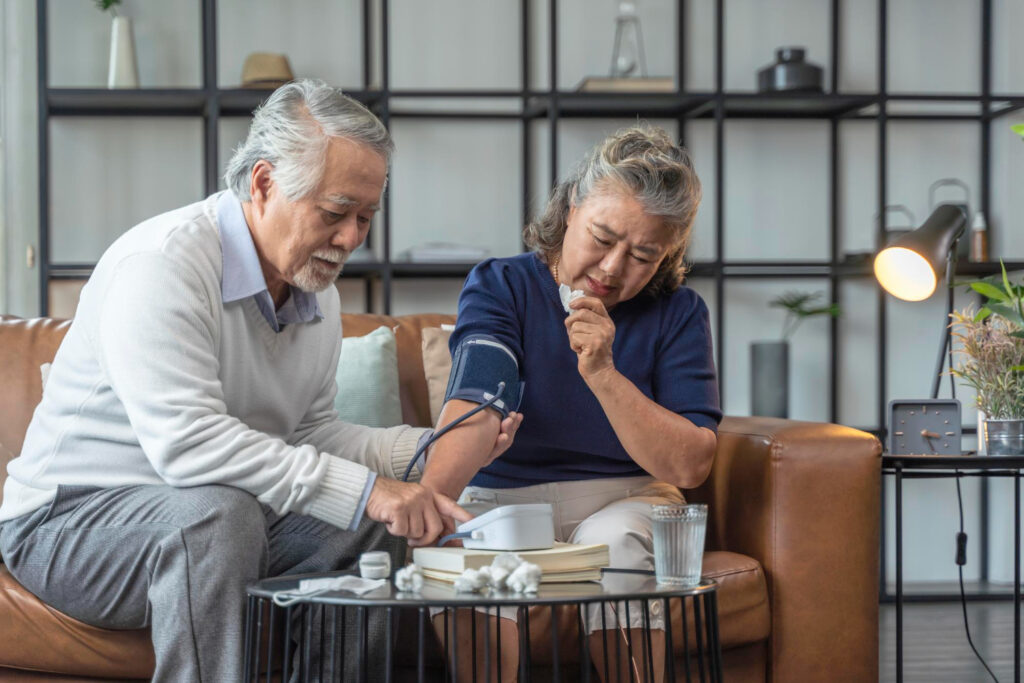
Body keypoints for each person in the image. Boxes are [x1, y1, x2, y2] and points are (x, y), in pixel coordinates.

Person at [0, 79, 521, 682]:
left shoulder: (313, 292)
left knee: (371, 527)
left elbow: (310, 432)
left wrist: (438, 444)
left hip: (215, 512)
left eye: (365, 217)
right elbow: (188, 445)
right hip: (66, 525)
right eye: (334, 213)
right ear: (264, 183)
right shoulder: (162, 266)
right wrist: (368, 488)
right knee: (220, 518)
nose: (351, 238)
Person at [420, 124, 721, 682]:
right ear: (574, 204)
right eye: (603, 238)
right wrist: (430, 502)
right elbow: (480, 398)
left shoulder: (679, 312)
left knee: (617, 543)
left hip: (624, 496)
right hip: (502, 498)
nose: (612, 268)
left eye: (643, 255)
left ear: (668, 254)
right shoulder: (501, 284)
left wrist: (604, 373)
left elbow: (689, 465)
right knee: (467, 558)